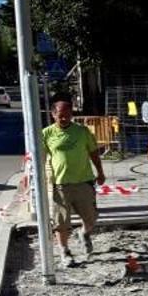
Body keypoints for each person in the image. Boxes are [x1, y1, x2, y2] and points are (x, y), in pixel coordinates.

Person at [42, 98, 106, 267]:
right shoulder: (46, 133)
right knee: (61, 222)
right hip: (60, 184)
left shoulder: (82, 131)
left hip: (84, 182)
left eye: (68, 115)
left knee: (91, 218)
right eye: (61, 115)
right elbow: (40, 157)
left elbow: (93, 153)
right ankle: (65, 251)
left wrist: (100, 172)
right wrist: (41, 180)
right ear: (53, 115)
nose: (64, 119)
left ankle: (84, 233)